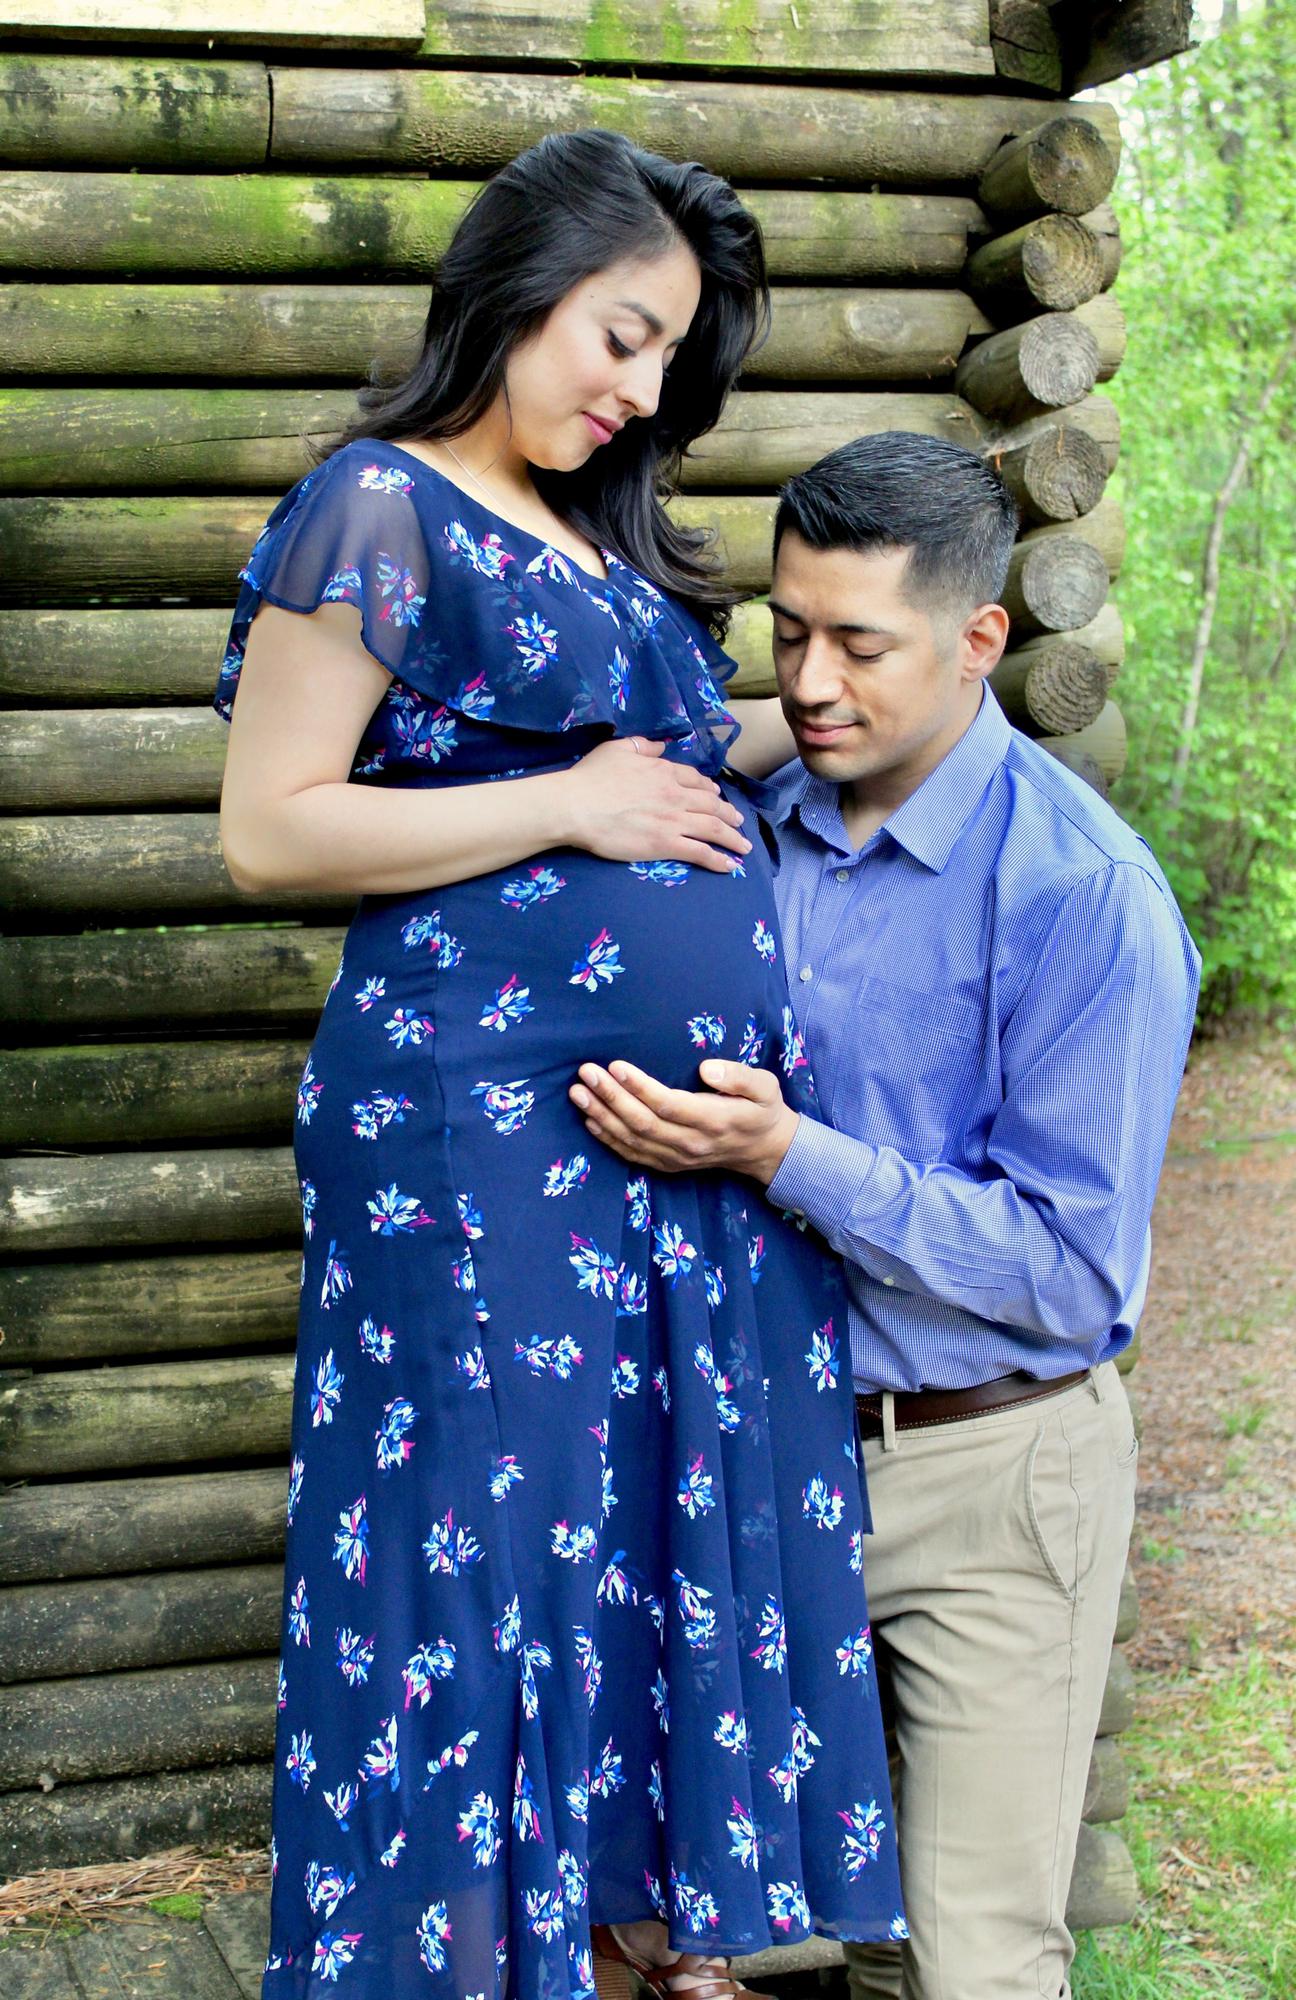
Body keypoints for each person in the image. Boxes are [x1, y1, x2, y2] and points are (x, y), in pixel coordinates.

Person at [215, 134, 902, 2000]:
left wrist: (858, 706)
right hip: (469, 1134)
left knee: (616, 1544)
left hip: (656, 1173)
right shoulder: (378, 508)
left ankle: (605, 1949)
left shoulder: (597, 540)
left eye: (669, 359)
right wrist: (574, 798)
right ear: (515, 289)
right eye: (620, 334)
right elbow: (271, 834)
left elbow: (665, 772)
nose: (637, 388)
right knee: (474, 1551)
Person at [566, 433, 1201, 2000]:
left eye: (860, 643)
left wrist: (793, 1156)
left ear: (981, 639)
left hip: (992, 1465)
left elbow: (1067, 1272)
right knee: (697, 1932)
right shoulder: (750, 826)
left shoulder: (1083, 898)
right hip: (754, 1458)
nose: (814, 680)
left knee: (967, 1960)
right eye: (790, 633)